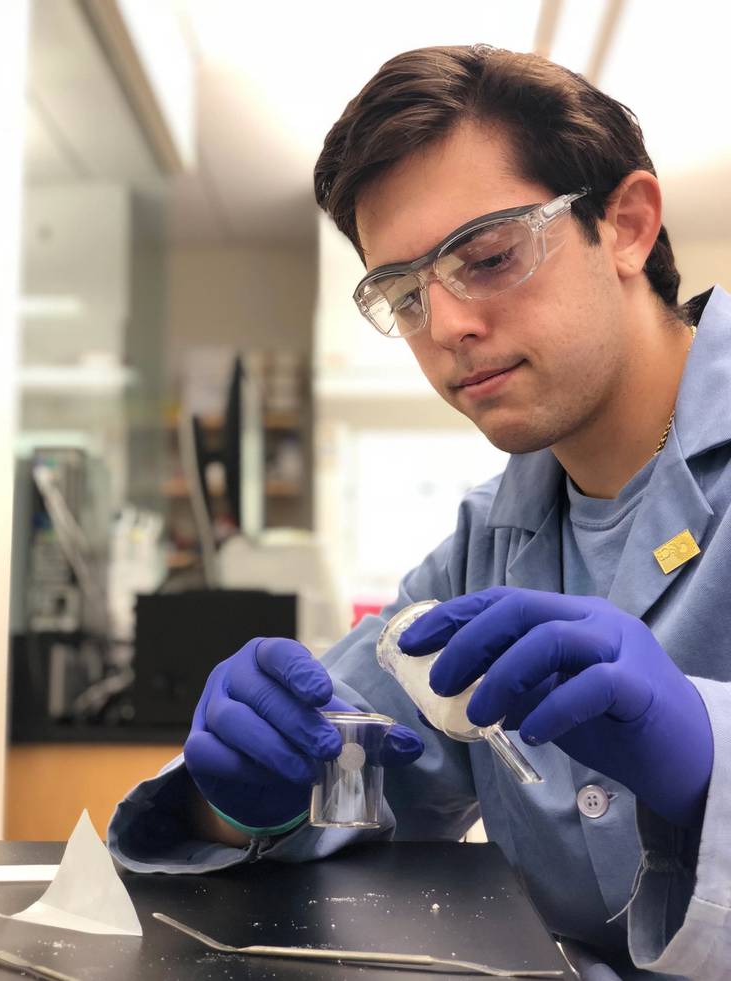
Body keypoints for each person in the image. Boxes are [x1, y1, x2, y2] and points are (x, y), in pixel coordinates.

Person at [109, 45, 731, 980]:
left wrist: (708, 759)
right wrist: (233, 798)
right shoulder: (487, 546)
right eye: (403, 294)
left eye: (486, 257)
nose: (444, 328)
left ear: (627, 226)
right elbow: (351, 767)